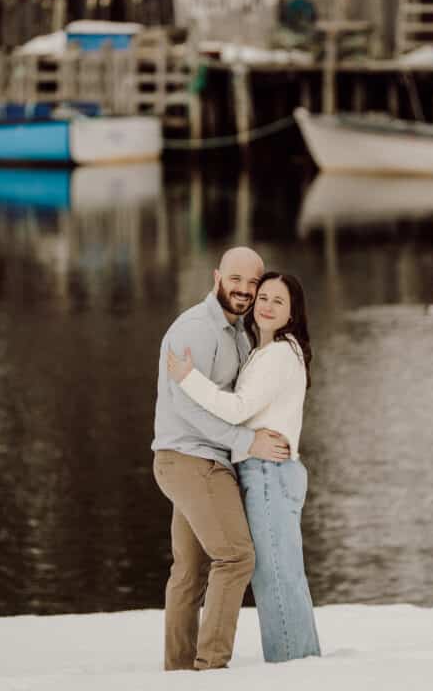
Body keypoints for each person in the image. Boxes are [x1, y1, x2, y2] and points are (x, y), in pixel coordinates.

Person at [168, 271, 321, 663]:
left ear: (292, 314)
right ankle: (302, 659)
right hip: (270, 471)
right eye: (263, 297)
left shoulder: (277, 355)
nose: (267, 305)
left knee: (273, 576)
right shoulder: (265, 351)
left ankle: (292, 665)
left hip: (269, 472)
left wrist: (189, 380)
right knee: (285, 572)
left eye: (278, 301)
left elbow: (238, 410)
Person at [152, 247, 291, 672]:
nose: (245, 290)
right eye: (237, 280)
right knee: (236, 556)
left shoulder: (238, 332)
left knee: (190, 573)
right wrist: (247, 442)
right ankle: (211, 667)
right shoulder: (195, 329)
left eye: (253, 283)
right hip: (192, 460)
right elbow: (189, 407)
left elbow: (234, 399)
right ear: (217, 277)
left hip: (198, 460)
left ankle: (177, 671)